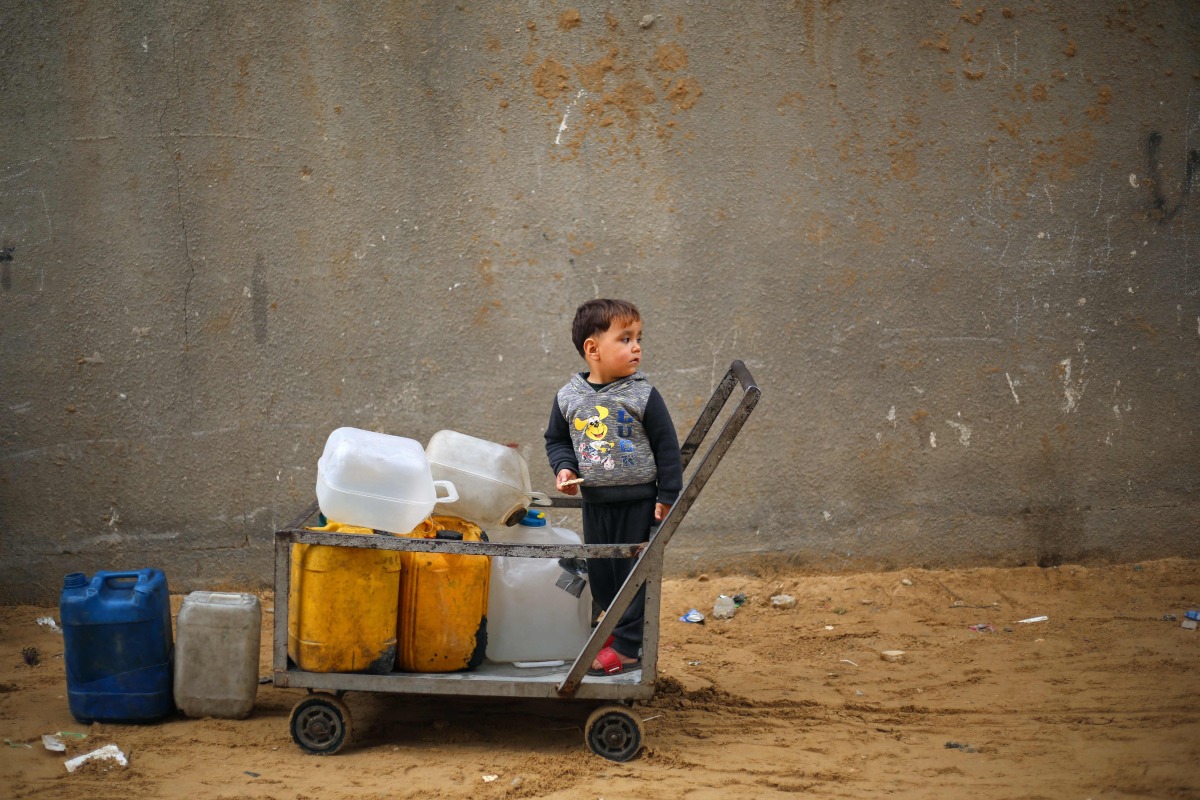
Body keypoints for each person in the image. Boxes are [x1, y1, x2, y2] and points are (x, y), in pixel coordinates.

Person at [544, 298, 683, 676]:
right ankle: (614, 628)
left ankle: (626, 647)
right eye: (625, 339)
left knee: (632, 576)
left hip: (637, 503)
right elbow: (556, 441)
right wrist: (564, 469)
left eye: (638, 338)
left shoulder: (643, 395)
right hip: (596, 504)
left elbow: (667, 447)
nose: (636, 347)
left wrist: (668, 495)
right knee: (603, 575)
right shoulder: (568, 397)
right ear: (593, 349)